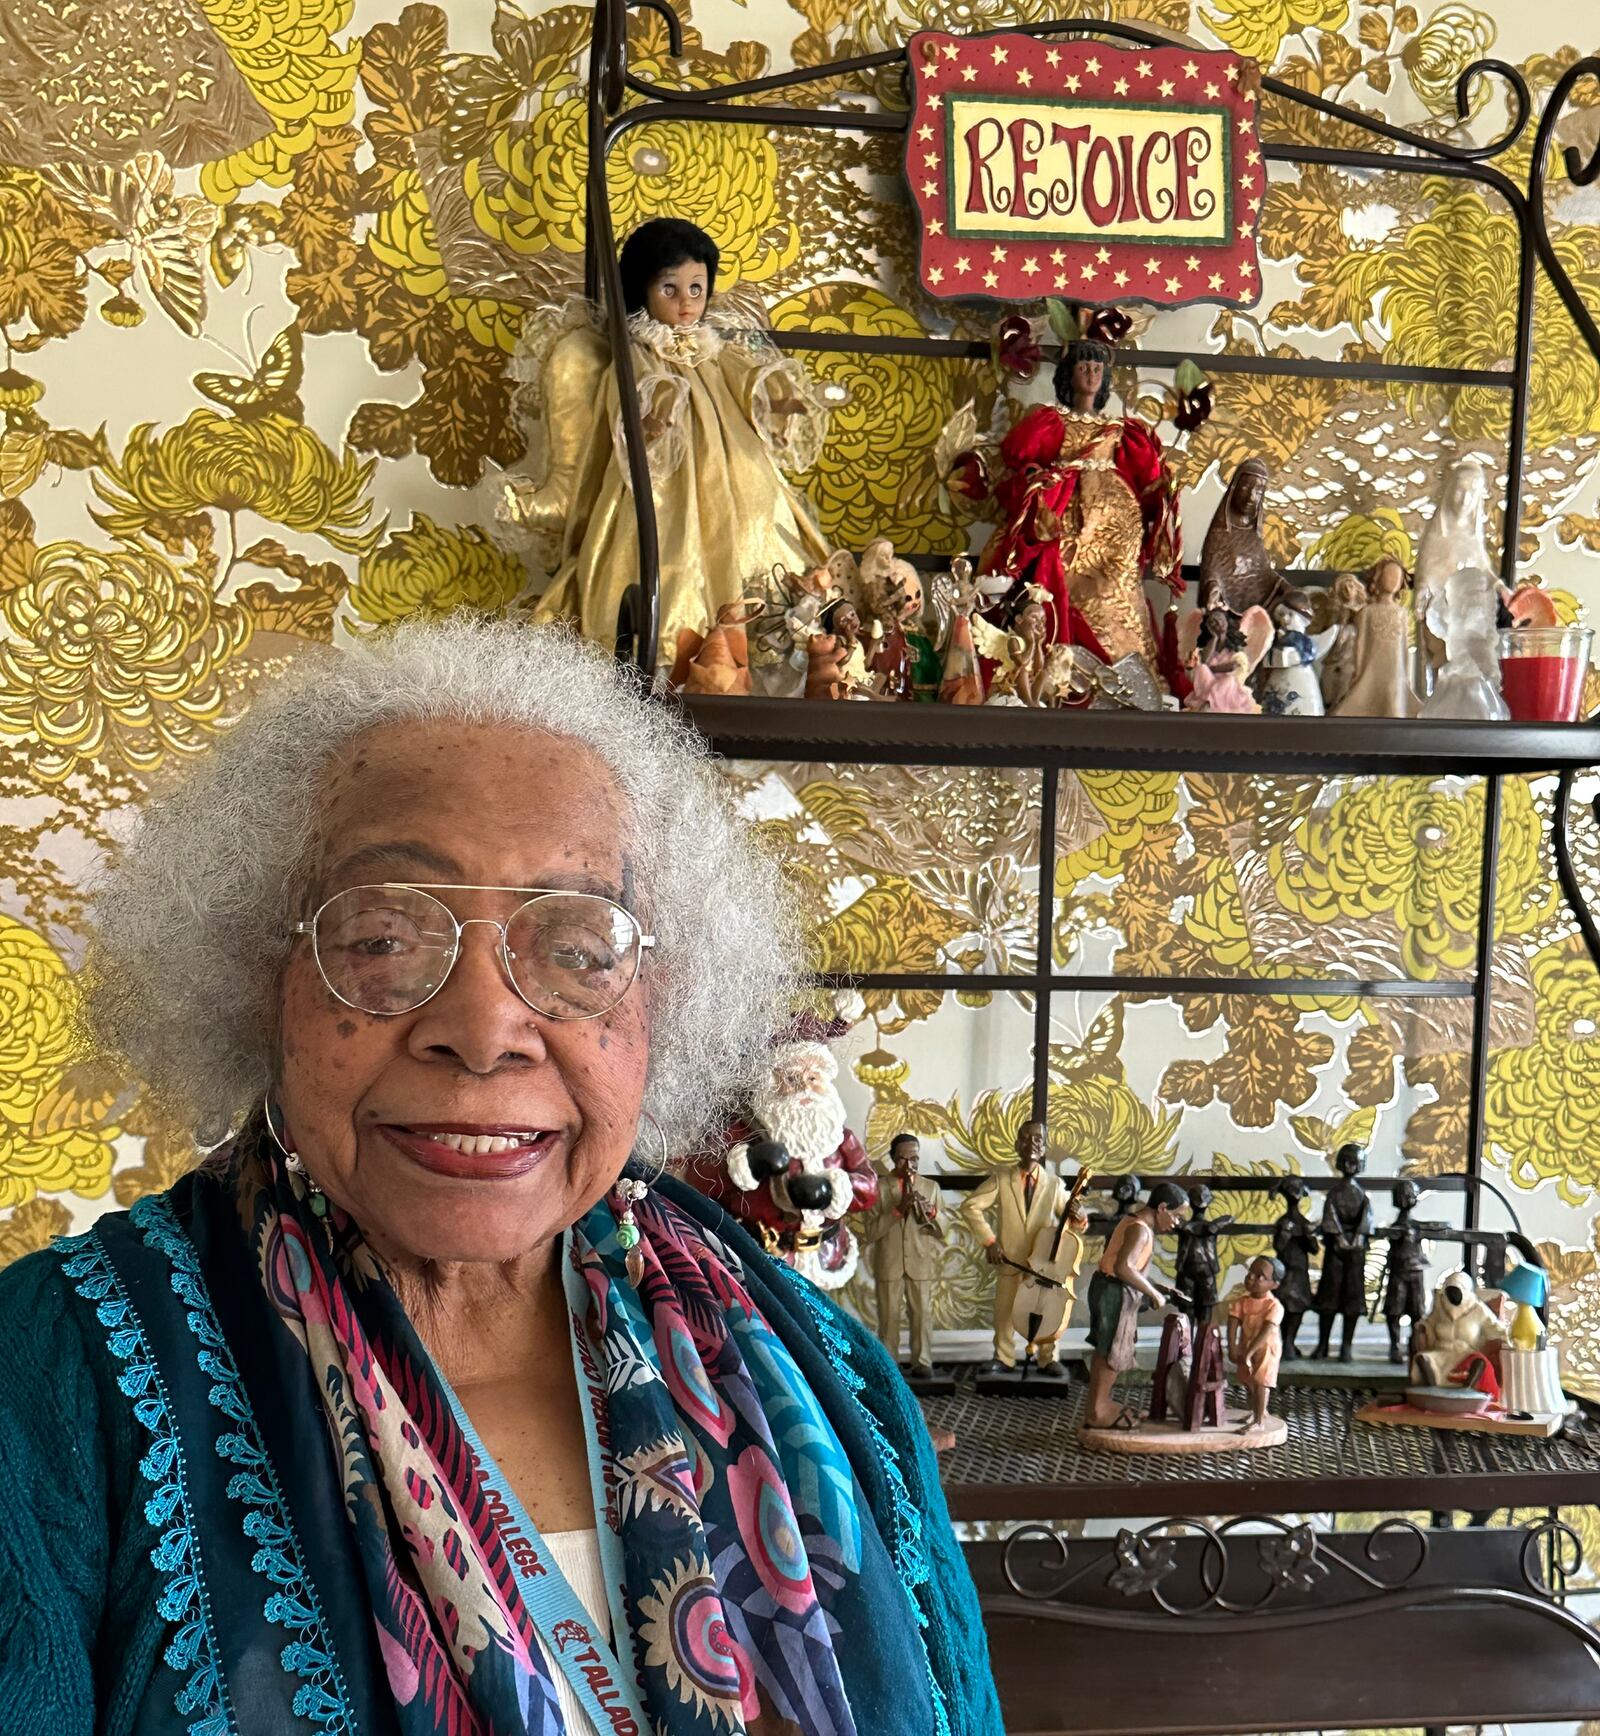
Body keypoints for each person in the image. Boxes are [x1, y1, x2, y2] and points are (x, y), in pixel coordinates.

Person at [0, 619, 1001, 1736]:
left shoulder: (829, 1373)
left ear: (659, 1004)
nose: (482, 1031)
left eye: (576, 948)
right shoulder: (48, 1383)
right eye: (381, 937)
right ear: (258, 977)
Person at [504, 216, 831, 656]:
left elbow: (742, 376)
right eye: (669, 289)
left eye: (696, 289)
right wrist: (652, 416)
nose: (685, 304)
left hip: (734, 468)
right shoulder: (637, 351)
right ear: (643, 290)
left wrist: (774, 398)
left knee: (754, 530)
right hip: (665, 473)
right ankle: (676, 648)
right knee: (666, 552)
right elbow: (627, 397)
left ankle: (755, 638)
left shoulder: (715, 348)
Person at [977, 333, 1182, 688]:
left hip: (1116, 521)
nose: (1091, 374)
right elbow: (1021, 457)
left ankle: (1127, 670)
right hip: (1066, 513)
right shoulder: (1052, 420)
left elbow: (1147, 476)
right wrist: (1040, 486)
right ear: (1069, 374)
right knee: (1061, 581)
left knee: (1117, 588)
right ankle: (1061, 667)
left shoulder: (1121, 430)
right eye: (1084, 367)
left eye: (1097, 368)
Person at [960, 1120, 1069, 1375]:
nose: (1032, 1144)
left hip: (1042, 1262)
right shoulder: (1002, 1178)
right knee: (1005, 1311)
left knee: (1044, 1310)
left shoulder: (1054, 1184)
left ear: (1045, 1147)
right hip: (1009, 1258)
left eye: (1038, 1140)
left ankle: (1048, 1357)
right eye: (1027, 1138)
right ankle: (1004, 1357)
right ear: (1017, 1143)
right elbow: (971, 1206)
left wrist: (1078, 1215)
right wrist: (990, 1241)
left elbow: (1072, 1218)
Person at [1084, 1180, 1189, 1428]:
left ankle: (1100, 1404)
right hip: (1114, 1293)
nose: (1176, 1223)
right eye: (1175, 1216)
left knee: (1108, 1348)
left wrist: (1160, 1287)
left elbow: (1129, 1267)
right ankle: (1098, 1411)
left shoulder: (1133, 1222)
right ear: (1162, 1208)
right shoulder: (1140, 1230)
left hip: (1110, 1288)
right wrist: (1153, 1293)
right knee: (1113, 1350)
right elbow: (1123, 1268)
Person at [862, 1134, 944, 1377]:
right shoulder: (878, 1188)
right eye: (902, 1160)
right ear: (892, 1159)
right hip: (889, 1262)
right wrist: (898, 1210)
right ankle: (890, 1366)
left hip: (920, 1262)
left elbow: (943, 1230)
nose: (909, 1166)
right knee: (888, 1317)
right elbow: (871, 1232)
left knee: (922, 1315)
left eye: (914, 1159)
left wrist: (932, 1212)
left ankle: (923, 1362)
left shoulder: (931, 1188)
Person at [1227, 1256, 1285, 1432]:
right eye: (1251, 1272)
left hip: (1266, 1349)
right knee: (1248, 1380)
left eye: (1260, 1276)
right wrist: (1232, 1346)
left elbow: (1266, 1332)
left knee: (1261, 1382)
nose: (1251, 1277)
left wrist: (1250, 1353)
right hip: (1246, 1346)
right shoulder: (1242, 1301)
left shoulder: (1273, 1306)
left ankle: (1259, 1421)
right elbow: (1232, 1323)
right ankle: (1256, 1412)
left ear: (1275, 1284)